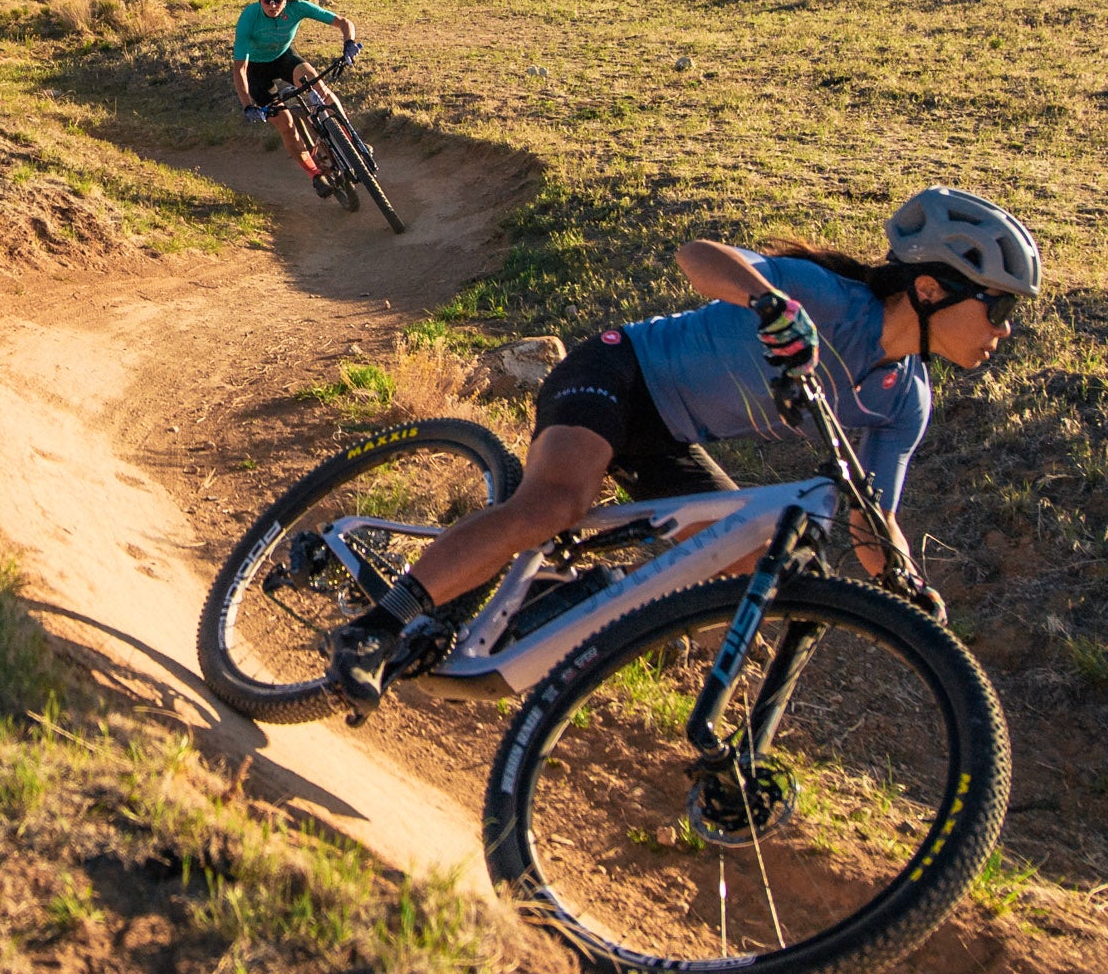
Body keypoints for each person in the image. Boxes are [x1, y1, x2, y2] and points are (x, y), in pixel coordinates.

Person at [327, 186, 1041, 706]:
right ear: (928, 289)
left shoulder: (904, 400)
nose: (1004, 329)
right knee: (556, 501)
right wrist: (769, 302)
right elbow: (697, 254)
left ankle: (567, 597)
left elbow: (870, 520)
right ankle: (374, 627)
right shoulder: (826, 297)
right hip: (618, 373)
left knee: (749, 556)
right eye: (999, 306)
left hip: (670, 436)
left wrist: (908, 584)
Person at [231, 0, 361, 193]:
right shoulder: (249, 17)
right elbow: (240, 69)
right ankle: (314, 174)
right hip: (257, 71)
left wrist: (349, 43)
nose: (272, 5)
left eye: (278, 0)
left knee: (321, 90)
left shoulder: (298, 7)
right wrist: (248, 106)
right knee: (286, 125)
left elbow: (342, 22)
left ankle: (353, 145)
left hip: (284, 58)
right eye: (266, 0)